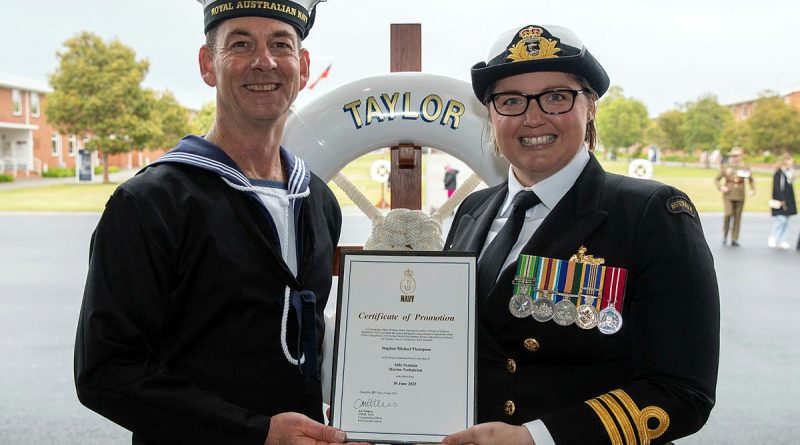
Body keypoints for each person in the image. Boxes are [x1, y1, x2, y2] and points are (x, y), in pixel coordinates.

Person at [74, 1, 354, 444]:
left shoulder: (317, 200)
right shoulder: (150, 203)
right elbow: (106, 371)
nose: (264, 61)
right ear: (208, 65)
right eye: (240, 44)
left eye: (280, 44)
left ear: (301, 66)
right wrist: (255, 433)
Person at [443, 24, 719, 445]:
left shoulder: (652, 215)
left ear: (590, 107)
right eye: (511, 101)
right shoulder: (471, 211)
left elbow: (682, 391)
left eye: (556, 97)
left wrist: (536, 438)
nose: (533, 118)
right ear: (492, 114)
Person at [715, 147, 755, 246]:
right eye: (733, 156)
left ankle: (734, 238)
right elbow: (717, 179)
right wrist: (721, 187)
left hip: (740, 194)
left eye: (737, 155)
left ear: (741, 156)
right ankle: (724, 235)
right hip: (728, 194)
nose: (735, 158)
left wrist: (752, 189)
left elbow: (751, 180)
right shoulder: (726, 166)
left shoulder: (745, 166)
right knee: (728, 214)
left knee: (737, 217)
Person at [768, 154, 797, 249]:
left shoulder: (789, 172)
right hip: (781, 199)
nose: (791, 162)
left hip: (789, 199)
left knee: (787, 221)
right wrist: (781, 199)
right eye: (790, 161)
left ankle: (783, 240)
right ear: (785, 161)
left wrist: (791, 169)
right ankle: (773, 237)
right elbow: (776, 187)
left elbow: (792, 179)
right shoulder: (779, 173)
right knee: (781, 219)